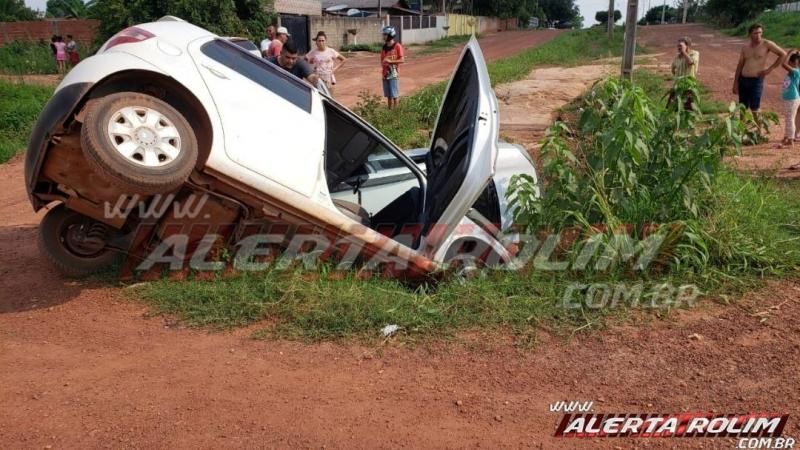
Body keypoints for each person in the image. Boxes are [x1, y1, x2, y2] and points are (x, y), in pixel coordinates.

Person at [733, 23, 786, 116]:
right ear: (750, 34)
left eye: (760, 33)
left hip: (756, 81)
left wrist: (770, 69)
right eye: (755, 33)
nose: (758, 36)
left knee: (755, 108)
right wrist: (735, 82)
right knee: (742, 107)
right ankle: (742, 130)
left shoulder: (766, 44)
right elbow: (740, 65)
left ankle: (758, 130)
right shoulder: (745, 47)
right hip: (743, 80)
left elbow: (783, 54)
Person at [778, 51, 800, 148]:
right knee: (788, 118)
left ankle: (791, 140)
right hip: (789, 98)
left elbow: (783, 64)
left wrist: (789, 53)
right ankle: (787, 137)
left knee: (790, 118)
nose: (790, 65)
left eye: (793, 63)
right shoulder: (792, 72)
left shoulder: (796, 71)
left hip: (792, 98)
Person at [379, 26, 404, 109]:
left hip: (394, 74)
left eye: (385, 34)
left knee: (394, 95)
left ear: (390, 35)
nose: (383, 36)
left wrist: (391, 62)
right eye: (383, 34)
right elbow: (382, 61)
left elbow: (402, 60)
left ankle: (395, 113)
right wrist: (383, 73)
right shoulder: (384, 47)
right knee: (388, 95)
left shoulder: (397, 46)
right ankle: (390, 111)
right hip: (385, 74)